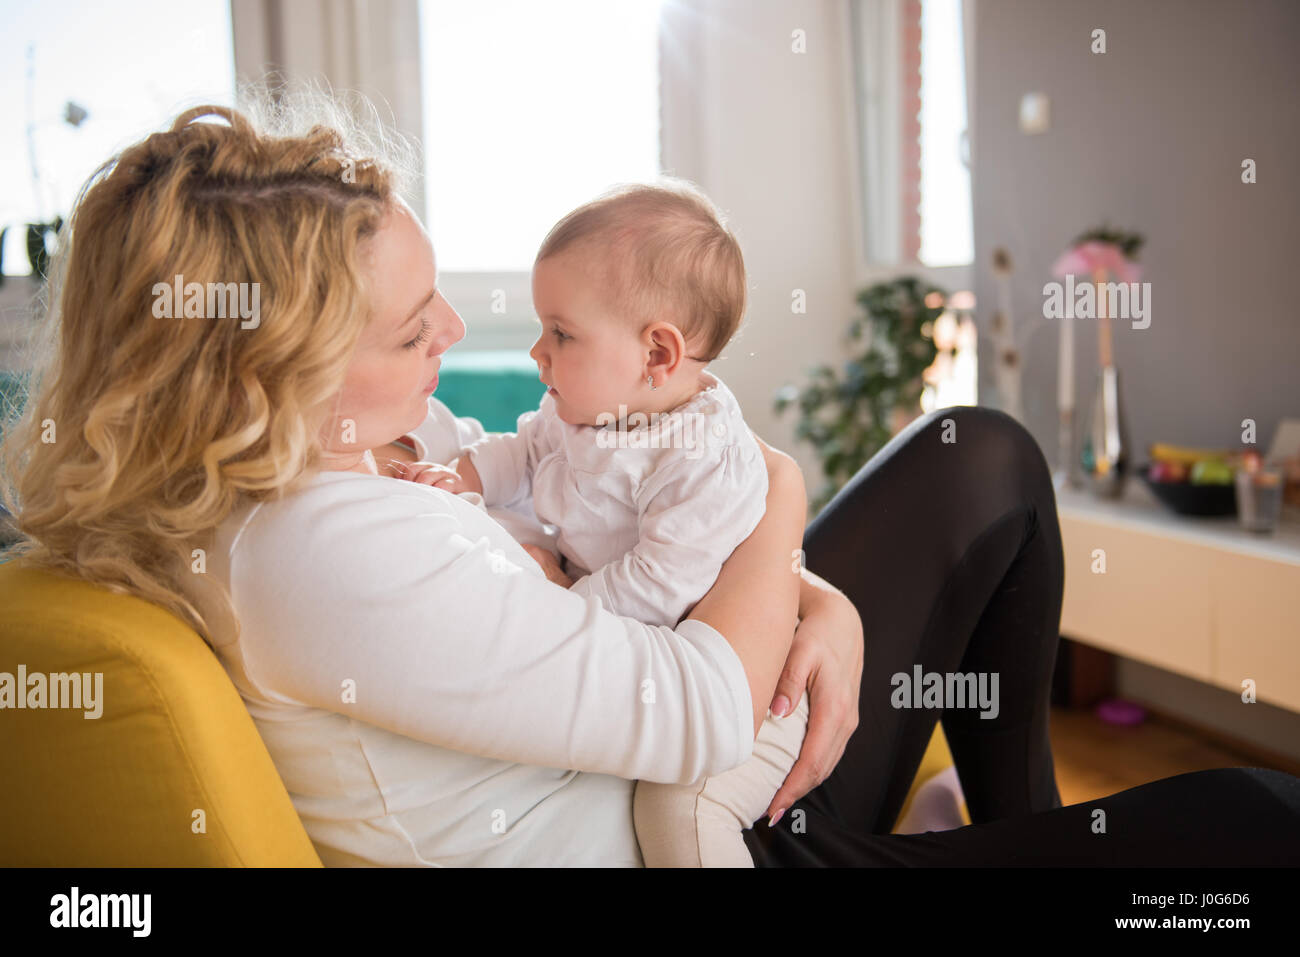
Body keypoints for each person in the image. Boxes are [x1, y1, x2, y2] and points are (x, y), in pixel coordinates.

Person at [3, 94, 1297, 867]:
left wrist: (810, 599)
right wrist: (778, 498)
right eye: (410, 331)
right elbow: (691, 716)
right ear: (251, 380)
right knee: (1246, 820)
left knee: (986, 456)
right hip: (695, 826)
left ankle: (1004, 819)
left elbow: (601, 529)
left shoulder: (354, 450)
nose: (457, 334)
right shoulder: (326, 552)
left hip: (710, 749)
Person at [394, 179, 812, 867]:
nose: (539, 351)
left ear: (657, 355)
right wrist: (463, 477)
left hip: (757, 684)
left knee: (678, 810)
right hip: (652, 669)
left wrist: (563, 602)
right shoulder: (576, 408)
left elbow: (659, 582)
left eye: (561, 332)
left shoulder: (706, 457)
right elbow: (521, 450)